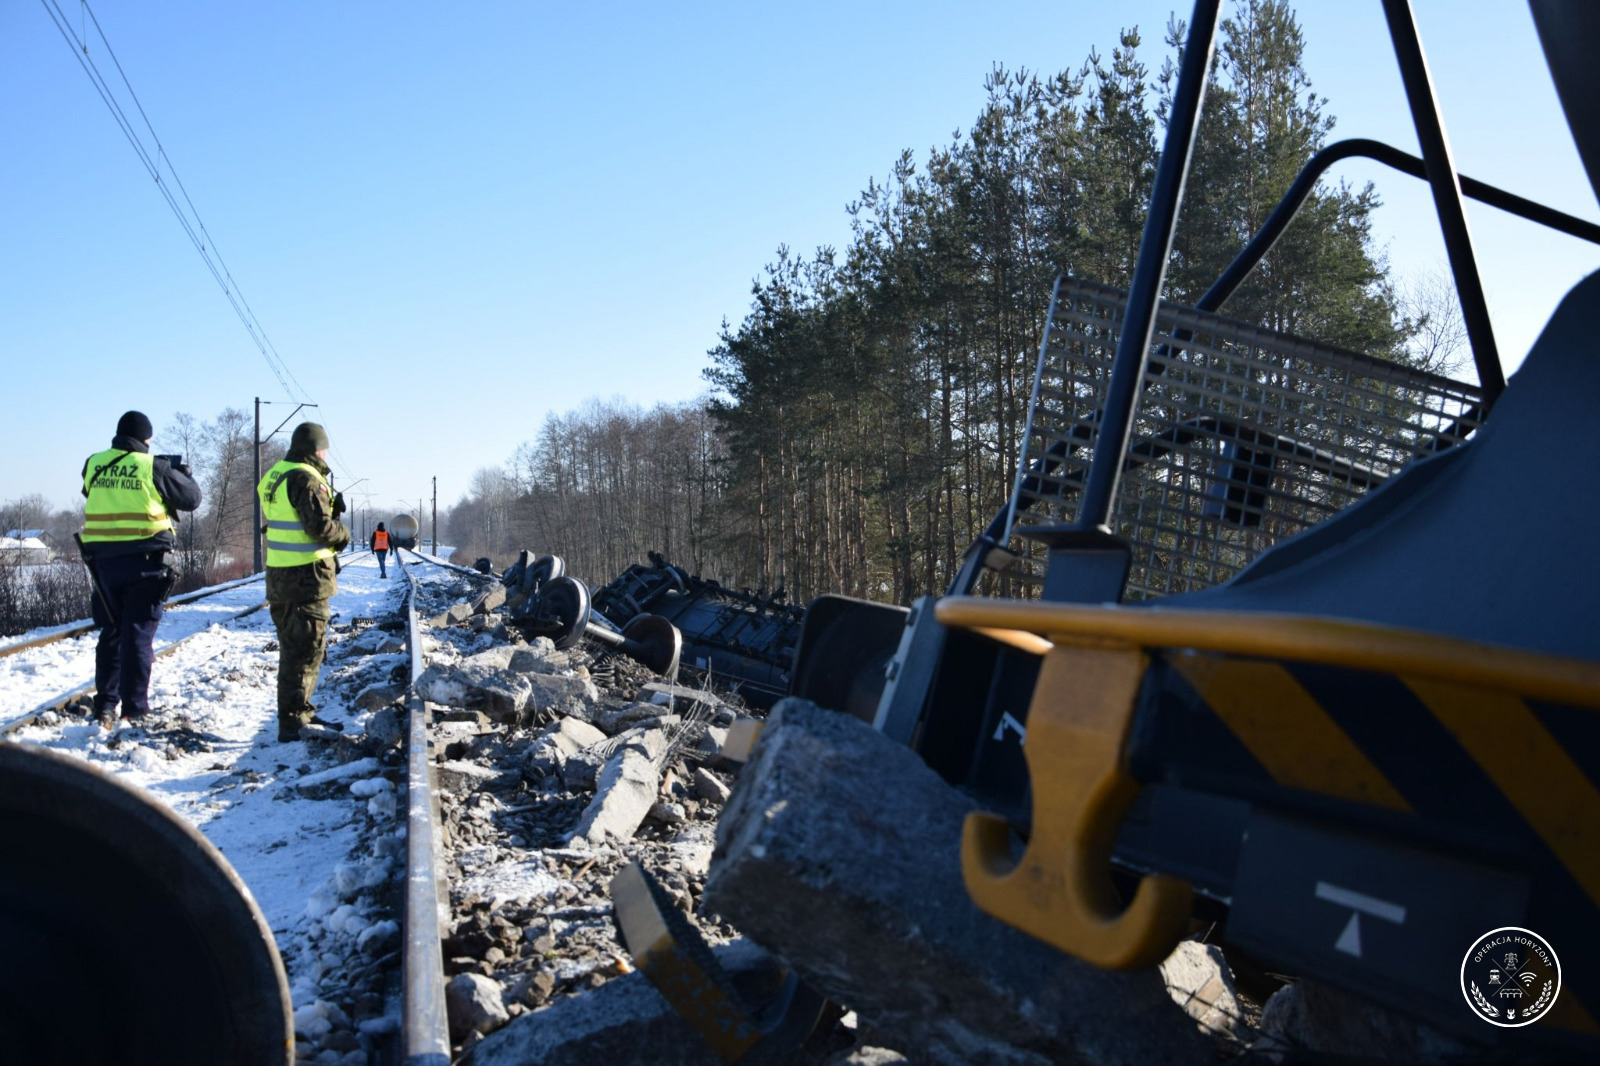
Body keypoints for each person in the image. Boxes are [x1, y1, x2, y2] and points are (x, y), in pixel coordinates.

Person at [79, 410, 202, 727]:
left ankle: (105, 707)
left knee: (112, 631)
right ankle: (134, 710)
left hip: (103, 565)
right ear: (145, 439)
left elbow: (91, 492)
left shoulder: (94, 463)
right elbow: (192, 498)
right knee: (136, 635)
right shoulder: (153, 467)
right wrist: (184, 475)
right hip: (145, 562)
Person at [257, 422, 351, 742]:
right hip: (305, 577)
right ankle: (294, 720)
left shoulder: (274, 475)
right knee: (306, 648)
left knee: (293, 647)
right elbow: (319, 528)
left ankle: (300, 712)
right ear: (316, 449)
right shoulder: (304, 478)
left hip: (281, 575)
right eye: (324, 448)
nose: (326, 453)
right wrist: (343, 533)